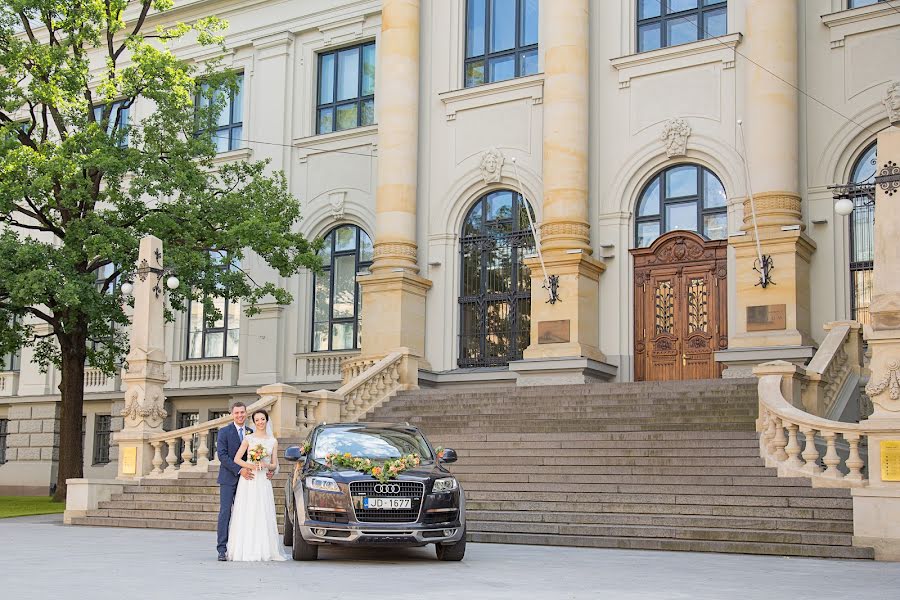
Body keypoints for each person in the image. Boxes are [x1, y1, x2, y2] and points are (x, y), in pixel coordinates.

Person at [226, 409, 288, 561]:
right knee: (247, 511)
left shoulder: (273, 441)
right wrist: (251, 466)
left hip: (263, 481)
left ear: (267, 421)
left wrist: (266, 465)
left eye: (263, 419)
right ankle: (244, 549)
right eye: (257, 420)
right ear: (253, 422)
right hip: (249, 479)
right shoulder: (249, 438)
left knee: (262, 512)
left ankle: (263, 549)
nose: (260, 422)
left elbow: (275, 465)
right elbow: (236, 459)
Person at [215, 401, 270, 561]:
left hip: (249, 481)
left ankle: (242, 547)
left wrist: (266, 469)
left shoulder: (252, 432)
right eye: (236, 413)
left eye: (242, 412)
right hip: (229, 478)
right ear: (232, 414)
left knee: (245, 513)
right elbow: (222, 456)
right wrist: (240, 470)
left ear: (246, 414)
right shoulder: (224, 432)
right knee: (226, 512)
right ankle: (221, 549)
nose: (239, 415)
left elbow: (257, 456)